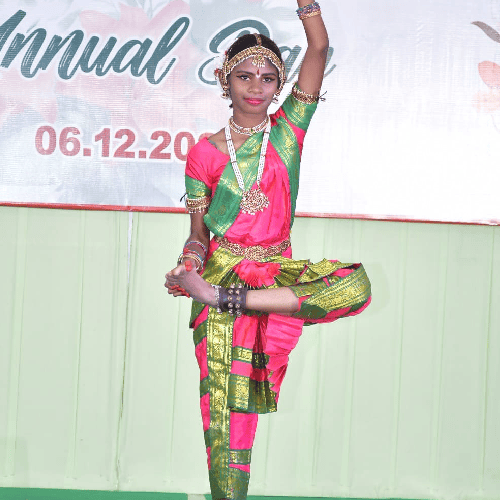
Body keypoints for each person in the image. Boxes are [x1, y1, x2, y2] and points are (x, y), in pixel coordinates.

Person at [164, 2, 371, 498]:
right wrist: (189, 264)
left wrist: (305, 6)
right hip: (220, 268)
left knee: (355, 286)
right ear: (224, 80)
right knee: (225, 414)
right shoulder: (204, 153)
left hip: (272, 273)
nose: (255, 87)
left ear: (279, 86)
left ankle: (224, 299)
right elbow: (198, 234)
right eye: (244, 76)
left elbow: (318, 47)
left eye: (267, 78)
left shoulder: (287, 130)